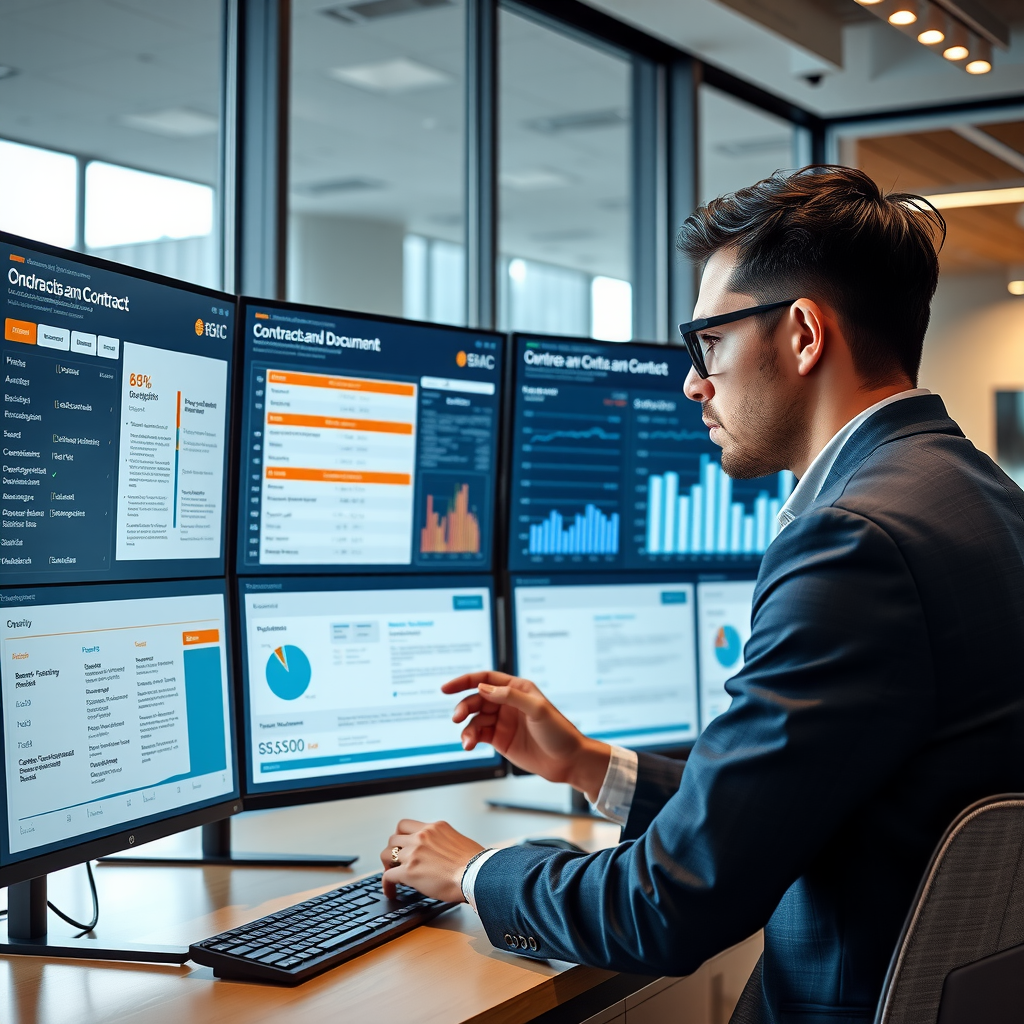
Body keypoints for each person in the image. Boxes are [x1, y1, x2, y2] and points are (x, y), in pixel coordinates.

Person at [378, 166, 1024, 1024]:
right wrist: (588, 766)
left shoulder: (852, 541)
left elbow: (668, 906)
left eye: (708, 342)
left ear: (801, 334)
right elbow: (799, 800)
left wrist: (471, 870)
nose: (693, 383)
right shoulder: (986, 502)